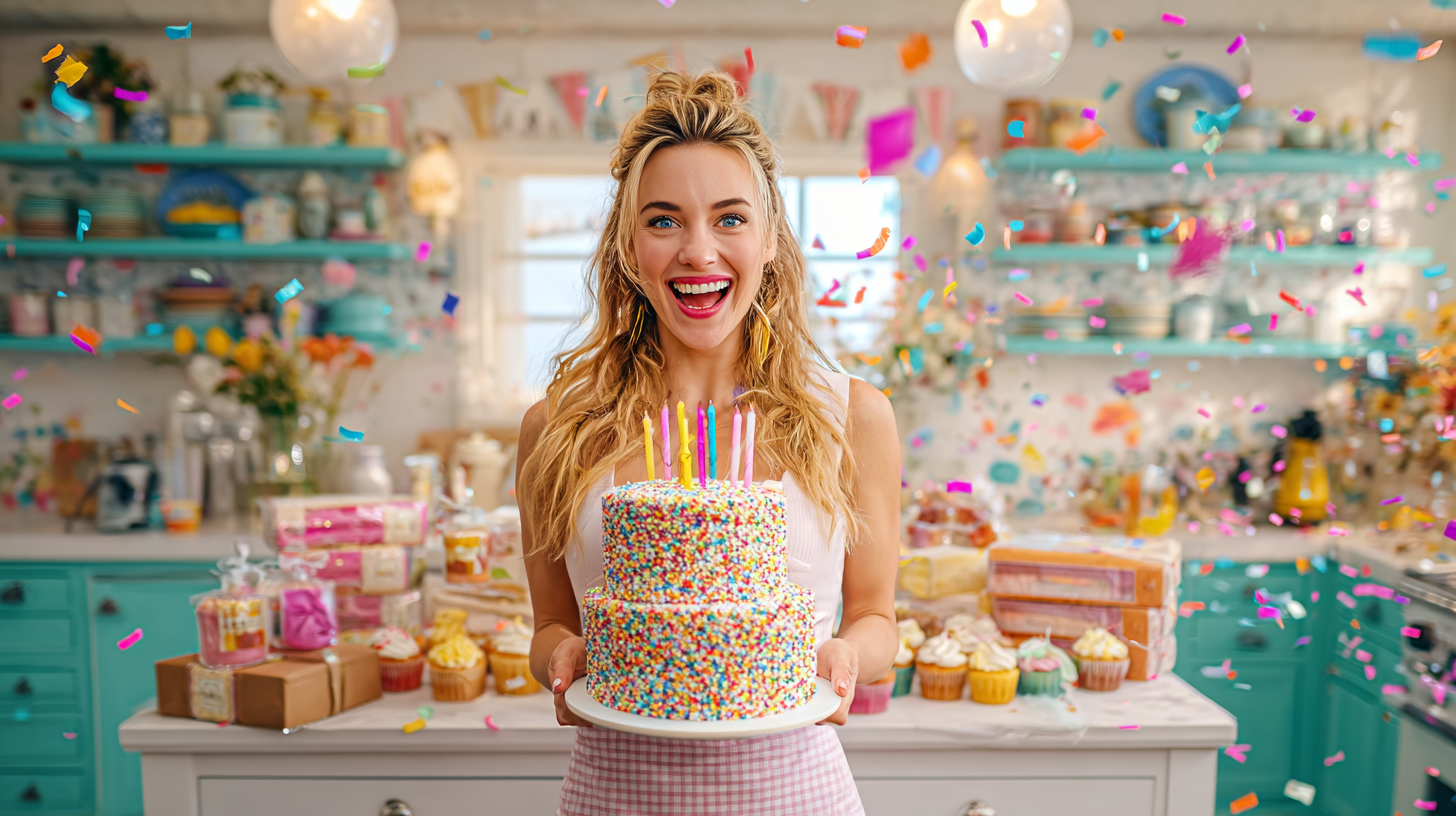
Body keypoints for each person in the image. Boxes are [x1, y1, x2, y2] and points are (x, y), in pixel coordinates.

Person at [516, 69, 901, 815]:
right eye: (664, 221)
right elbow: (551, 624)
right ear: (629, 247)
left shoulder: (852, 417)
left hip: (795, 794)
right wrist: (560, 657)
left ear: (769, 240)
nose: (698, 251)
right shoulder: (556, 430)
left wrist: (849, 656)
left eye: (729, 218)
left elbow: (876, 616)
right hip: (615, 794)